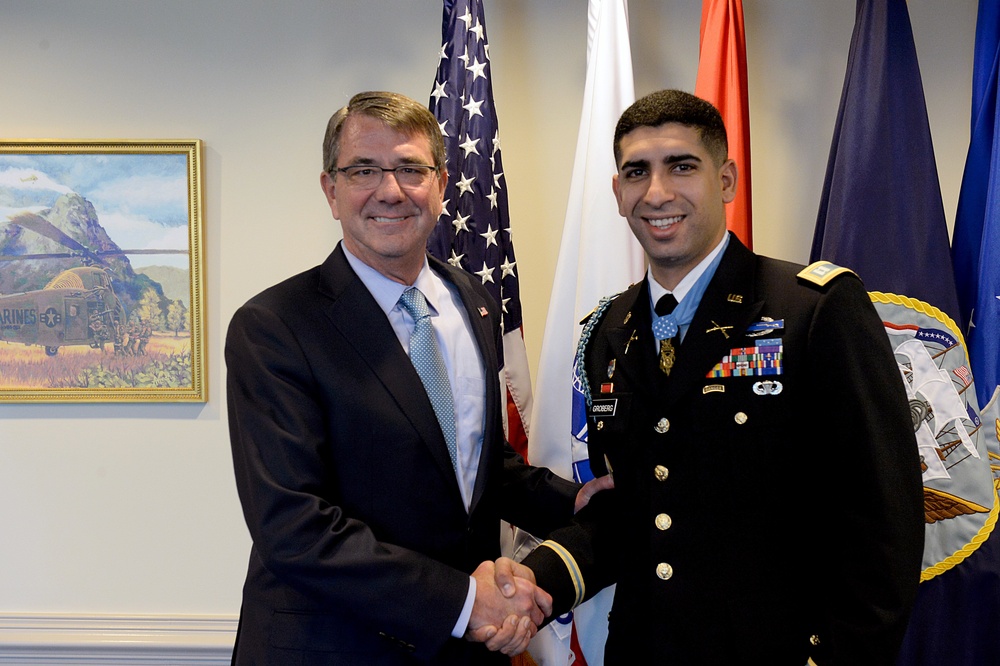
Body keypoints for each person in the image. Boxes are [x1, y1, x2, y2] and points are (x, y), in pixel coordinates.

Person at [517, 89, 925, 665]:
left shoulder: (813, 310)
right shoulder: (609, 330)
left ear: (727, 180)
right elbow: (637, 509)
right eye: (637, 172)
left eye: (682, 166)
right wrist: (533, 581)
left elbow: (884, 520)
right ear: (617, 193)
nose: (657, 193)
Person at [225, 90, 608, 665]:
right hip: (332, 649)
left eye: (411, 169)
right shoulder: (274, 326)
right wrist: (462, 601)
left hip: (464, 651)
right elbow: (293, 526)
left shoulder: (473, 301)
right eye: (363, 170)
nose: (390, 190)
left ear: (442, 183)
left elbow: (471, 460)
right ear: (331, 191)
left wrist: (572, 498)